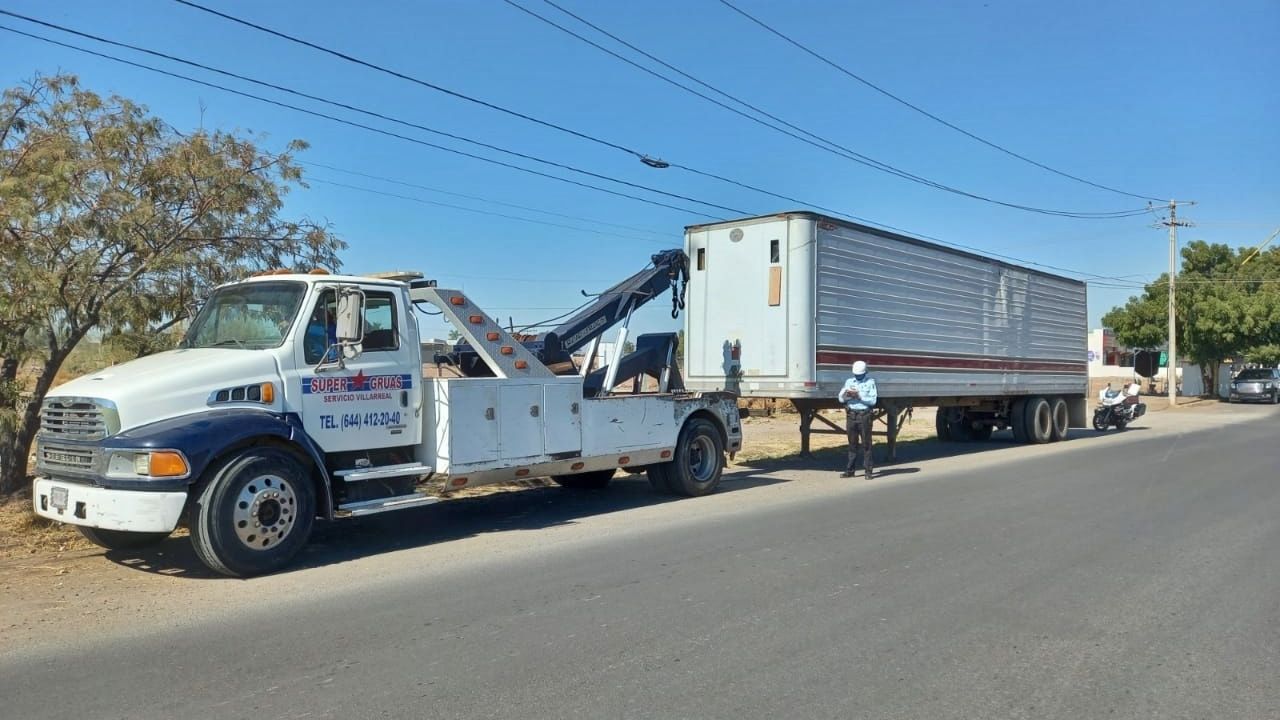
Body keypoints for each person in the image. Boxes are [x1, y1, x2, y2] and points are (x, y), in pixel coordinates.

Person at [838, 360, 878, 479]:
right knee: (852, 444)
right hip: (851, 415)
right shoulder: (849, 382)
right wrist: (847, 396)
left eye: (859, 375)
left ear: (865, 373)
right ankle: (850, 470)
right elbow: (840, 398)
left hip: (864, 415)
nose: (857, 376)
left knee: (866, 444)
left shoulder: (870, 382)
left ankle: (868, 471)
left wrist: (860, 397)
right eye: (856, 374)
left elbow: (873, 401)